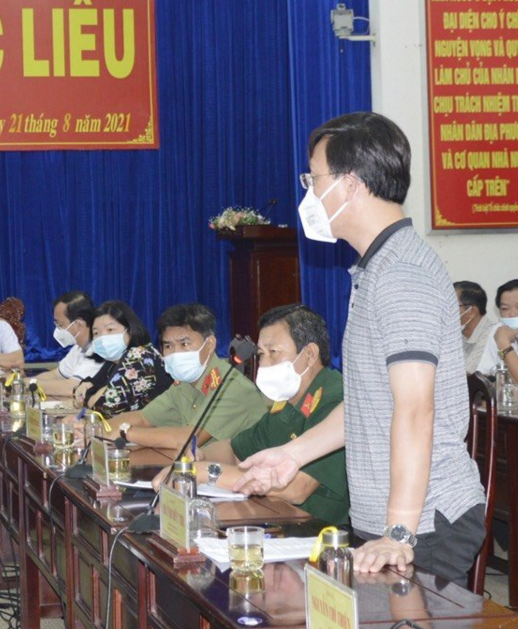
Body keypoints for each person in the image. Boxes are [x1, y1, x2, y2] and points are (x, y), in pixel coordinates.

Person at [236, 112, 485, 585]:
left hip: (424, 520)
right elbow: (368, 403)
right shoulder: (375, 268)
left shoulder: (401, 275)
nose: (309, 193)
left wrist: (398, 532)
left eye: (314, 179)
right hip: (392, 515)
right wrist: (292, 455)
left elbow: (416, 410)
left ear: (349, 185)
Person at [155, 304, 349, 525]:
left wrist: (205, 472)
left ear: (310, 354)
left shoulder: (335, 399)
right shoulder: (286, 403)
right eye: (261, 354)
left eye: (273, 353)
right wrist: (200, 456)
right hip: (275, 517)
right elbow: (235, 450)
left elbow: (297, 489)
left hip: (320, 532)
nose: (263, 364)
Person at [110, 303, 267, 452]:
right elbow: (143, 418)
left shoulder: (231, 386)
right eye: (168, 346)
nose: (175, 353)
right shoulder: (185, 383)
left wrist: (126, 432)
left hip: (247, 469)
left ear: (210, 344)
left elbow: (187, 439)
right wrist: (100, 429)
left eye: (184, 344)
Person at [84, 300, 170, 417]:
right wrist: (90, 393)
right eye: (96, 333)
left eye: (110, 330)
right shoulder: (114, 361)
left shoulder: (140, 357)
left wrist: (88, 397)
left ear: (130, 329)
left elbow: (103, 407)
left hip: (160, 426)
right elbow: (90, 385)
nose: (103, 337)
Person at [34, 291, 101, 398]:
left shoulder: (99, 349)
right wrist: (25, 381)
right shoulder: (78, 348)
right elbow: (56, 375)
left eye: (60, 325)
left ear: (79, 324)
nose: (57, 330)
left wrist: (30, 385)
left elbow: (72, 387)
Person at [476, 278, 518, 385]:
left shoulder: (501, 337)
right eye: (505, 308)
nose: (512, 314)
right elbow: (482, 376)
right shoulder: (496, 331)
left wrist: (504, 344)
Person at [455, 281, 497, 374]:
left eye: (451, 306)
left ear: (471, 311)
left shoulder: (493, 334)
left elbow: (467, 375)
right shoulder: (456, 335)